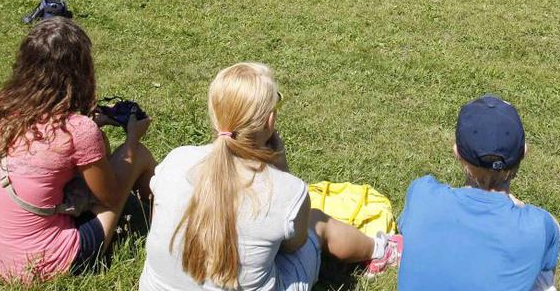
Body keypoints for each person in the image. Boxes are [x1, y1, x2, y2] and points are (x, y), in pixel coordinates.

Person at [139, 63, 402, 291]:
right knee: (316, 222)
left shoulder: (175, 160)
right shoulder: (286, 190)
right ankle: (381, 250)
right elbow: (293, 245)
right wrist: (281, 169)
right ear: (270, 121)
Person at [0, 18, 156, 283]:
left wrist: (94, 127)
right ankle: (166, 224)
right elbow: (112, 197)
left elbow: (44, 150)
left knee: (99, 148)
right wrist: (132, 140)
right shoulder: (77, 130)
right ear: (81, 71)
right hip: (44, 264)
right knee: (139, 155)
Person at [397, 95, 560, 291]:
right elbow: (550, 229)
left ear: (457, 152)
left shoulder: (421, 194)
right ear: (523, 152)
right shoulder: (539, 226)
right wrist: (521, 207)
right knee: (543, 277)